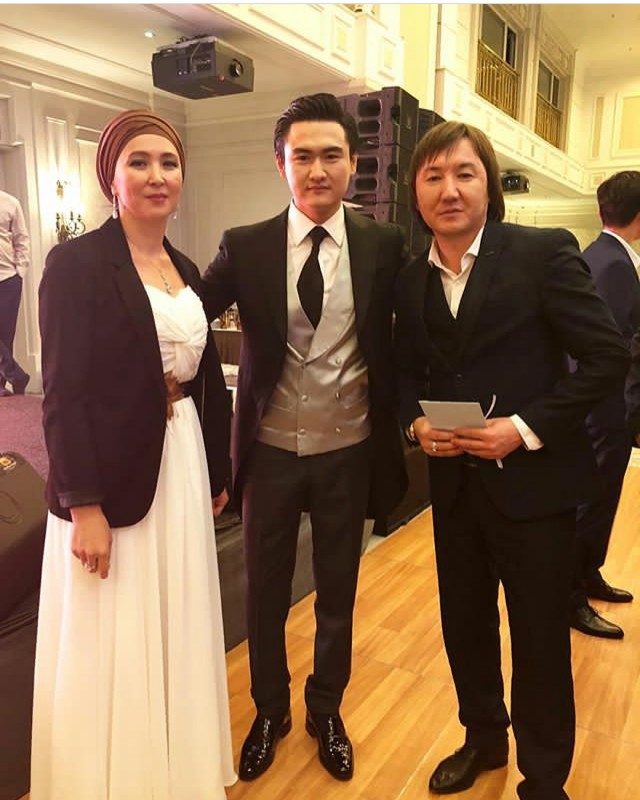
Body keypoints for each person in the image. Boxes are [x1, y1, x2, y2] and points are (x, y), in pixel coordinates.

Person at [394, 121, 629, 800]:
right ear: (416, 192)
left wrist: (523, 430)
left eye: (464, 173)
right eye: (434, 176)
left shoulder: (542, 252)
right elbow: (405, 372)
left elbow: (607, 357)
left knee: (539, 641)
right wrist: (415, 422)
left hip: (536, 490)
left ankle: (545, 780)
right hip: (455, 490)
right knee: (465, 626)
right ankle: (483, 738)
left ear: (489, 185)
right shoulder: (410, 280)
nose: (449, 189)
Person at [31, 109, 236, 799]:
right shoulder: (76, 264)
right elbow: (63, 394)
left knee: (174, 615)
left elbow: (204, 379)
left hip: (179, 458)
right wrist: (83, 506)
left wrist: (216, 469)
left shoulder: (185, 266)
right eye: (139, 162)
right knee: (115, 629)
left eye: (169, 162)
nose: (157, 175)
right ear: (111, 179)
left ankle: (173, 771)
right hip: (112, 473)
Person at [203, 92, 407, 782]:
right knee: (263, 592)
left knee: (337, 591)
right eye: (302, 157)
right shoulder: (246, 244)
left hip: (349, 448)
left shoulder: (384, 244)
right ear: (280, 164)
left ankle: (326, 708)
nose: (317, 170)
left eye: (330, 155)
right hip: (268, 452)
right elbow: (187, 314)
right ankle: (270, 710)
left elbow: (416, 331)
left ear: (353, 163)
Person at [569, 171, 640, 640]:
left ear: (601, 211)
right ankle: (570, 596)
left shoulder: (601, 255)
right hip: (603, 409)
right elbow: (607, 348)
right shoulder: (613, 265)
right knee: (589, 503)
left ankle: (588, 574)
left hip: (605, 408)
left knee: (600, 501)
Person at [0, 188, 30, 396]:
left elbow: (22, 239)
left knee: (6, 334)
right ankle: (17, 375)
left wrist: (20, 271)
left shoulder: (10, 202)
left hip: (8, 278)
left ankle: (1, 384)